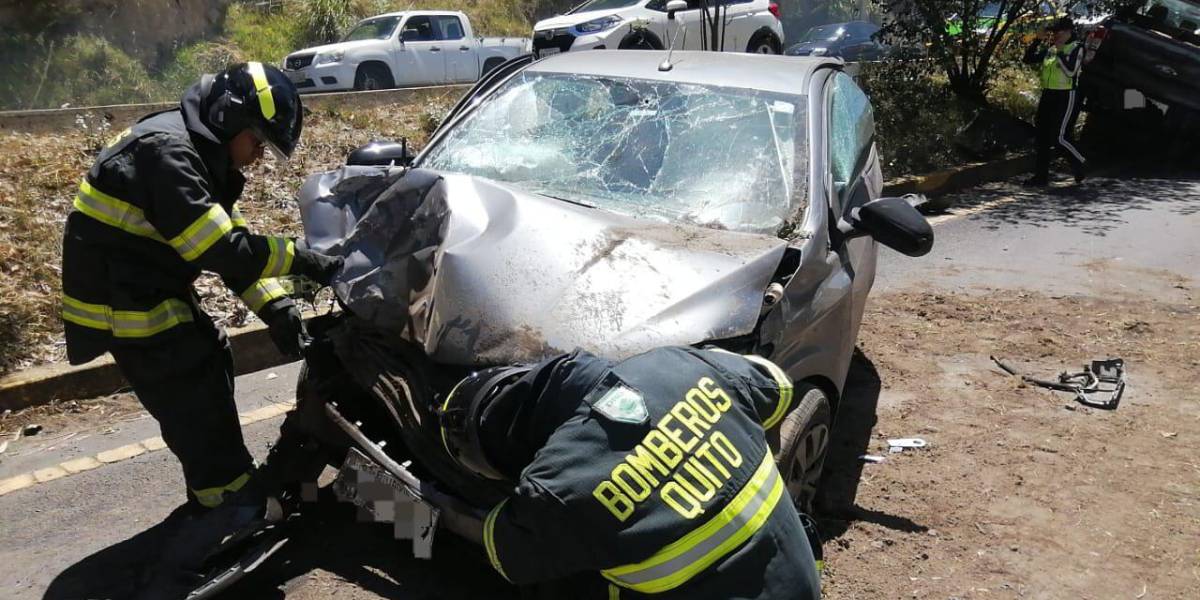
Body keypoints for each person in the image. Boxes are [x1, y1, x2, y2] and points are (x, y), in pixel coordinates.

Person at [60, 62, 342, 532]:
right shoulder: (167, 153)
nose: (256, 157)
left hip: (147, 285)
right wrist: (301, 258)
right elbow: (221, 249)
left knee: (209, 359)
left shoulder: (192, 149)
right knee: (194, 392)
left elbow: (225, 240)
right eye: (256, 142)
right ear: (230, 120)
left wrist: (274, 305)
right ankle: (229, 509)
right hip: (126, 304)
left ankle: (219, 491)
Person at [436, 346, 823, 599]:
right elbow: (778, 389)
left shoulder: (561, 489)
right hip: (798, 579)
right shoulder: (678, 365)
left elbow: (505, 554)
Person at [1022, 16, 1087, 186]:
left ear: (1068, 32)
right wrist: (1037, 40)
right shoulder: (1051, 48)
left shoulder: (1077, 47)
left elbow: (1071, 72)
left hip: (1066, 95)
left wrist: (1059, 52)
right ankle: (1041, 177)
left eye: (1058, 32)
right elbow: (1028, 59)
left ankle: (1079, 162)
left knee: (1059, 136)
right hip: (1048, 94)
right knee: (1042, 136)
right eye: (1053, 32)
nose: (1055, 35)